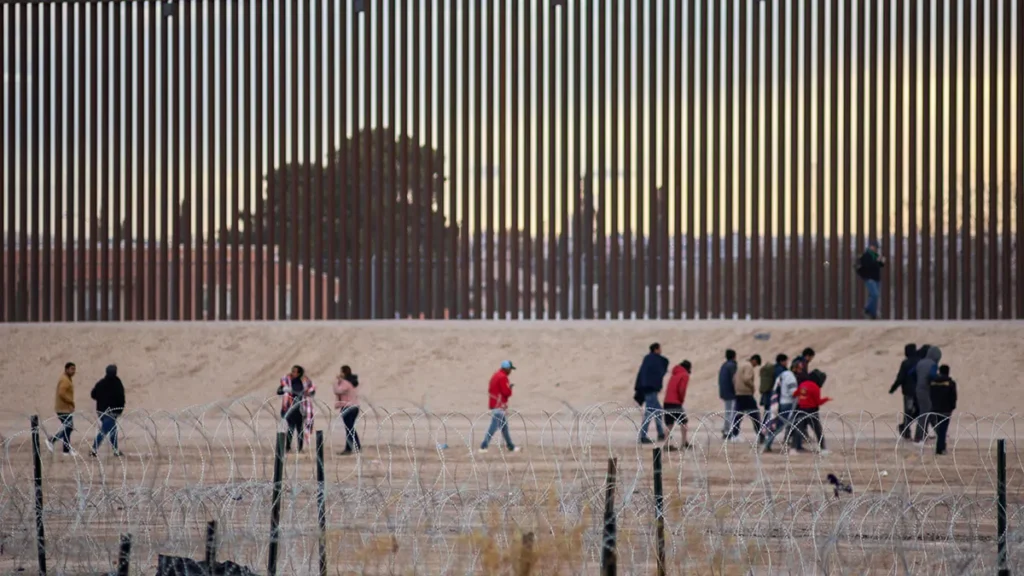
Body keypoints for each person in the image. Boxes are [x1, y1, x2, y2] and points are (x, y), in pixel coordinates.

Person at [480, 360, 521, 453]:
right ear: (507, 369)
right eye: (510, 369)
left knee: (504, 427)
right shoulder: (503, 377)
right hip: (499, 405)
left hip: (494, 403)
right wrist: (510, 389)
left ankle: (510, 446)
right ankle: (483, 446)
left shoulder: (495, 375)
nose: (511, 371)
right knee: (494, 426)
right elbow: (506, 392)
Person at [762, 355, 799, 453]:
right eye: (799, 369)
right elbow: (793, 392)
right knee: (780, 426)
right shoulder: (790, 377)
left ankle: (771, 443)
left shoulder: (783, 374)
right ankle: (768, 444)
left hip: (781, 402)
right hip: (788, 403)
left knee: (782, 425)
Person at [634, 343, 669, 445]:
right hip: (650, 390)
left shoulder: (647, 359)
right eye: (660, 348)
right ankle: (643, 436)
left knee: (658, 411)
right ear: (656, 349)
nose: (661, 350)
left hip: (647, 389)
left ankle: (661, 433)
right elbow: (661, 368)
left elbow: (643, 374)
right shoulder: (654, 360)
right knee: (649, 413)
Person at [792, 369, 831, 454]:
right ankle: (823, 448)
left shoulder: (802, 384)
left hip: (801, 410)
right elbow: (818, 402)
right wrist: (826, 399)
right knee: (817, 430)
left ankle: (793, 449)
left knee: (798, 429)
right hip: (812, 411)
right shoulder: (815, 387)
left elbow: (794, 394)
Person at [278, 365, 316, 452]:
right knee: (290, 427)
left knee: (300, 429)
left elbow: (310, 392)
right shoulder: (287, 380)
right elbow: (279, 391)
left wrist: (293, 391)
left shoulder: (304, 381)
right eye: (292, 371)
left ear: (299, 373)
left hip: (300, 408)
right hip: (289, 408)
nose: (293, 373)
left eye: (295, 371)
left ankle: (300, 447)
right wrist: (285, 390)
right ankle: (287, 447)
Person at [90, 365, 125, 457]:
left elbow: (93, 394)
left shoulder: (101, 383)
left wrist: (101, 398)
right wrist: (120, 409)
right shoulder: (117, 383)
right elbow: (121, 397)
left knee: (113, 430)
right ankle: (94, 449)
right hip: (112, 411)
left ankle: (115, 450)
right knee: (105, 430)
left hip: (101, 411)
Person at [888, 344, 920, 439]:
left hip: (908, 392)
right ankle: (916, 432)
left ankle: (906, 430)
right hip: (919, 392)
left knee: (908, 412)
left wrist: (893, 388)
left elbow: (900, 377)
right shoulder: (920, 362)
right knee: (919, 412)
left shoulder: (906, 363)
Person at [730, 355, 764, 443]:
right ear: (754, 360)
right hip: (746, 393)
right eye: (756, 364)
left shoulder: (741, 365)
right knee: (755, 414)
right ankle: (759, 434)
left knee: (738, 415)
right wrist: (753, 387)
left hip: (738, 393)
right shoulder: (749, 366)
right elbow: (747, 379)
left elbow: (734, 378)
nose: (755, 366)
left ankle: (734, 435)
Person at [47, 362, 77, 455]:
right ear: (66, 369)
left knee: (68, 427)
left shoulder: (67, 379)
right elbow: (61, 393)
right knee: (69, 427)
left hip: (65, 408)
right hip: (63, 409)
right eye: (72, 369)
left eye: (74, 369)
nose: (73, 371)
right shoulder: (65, 380)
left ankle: (65, 449)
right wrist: (71, 402)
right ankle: (53, 441)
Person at [913, 346, 942, 444]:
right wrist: (938, 378)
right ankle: (919, 437)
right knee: (924, 414)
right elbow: (932, 376)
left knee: (929, 412)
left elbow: (911, 373)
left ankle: (938, 433)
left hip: (918, 390)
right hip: (926, 390)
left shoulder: (920, 363)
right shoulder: (933, 364)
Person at [662, 360, 692, 452]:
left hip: (667, 402)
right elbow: (682, 389)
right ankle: (684, 443)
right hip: (675, 402)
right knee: (684, 422)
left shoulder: (674, 374)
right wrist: (681, 400)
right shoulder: (684, 375)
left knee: (669, 424)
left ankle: (666, 445)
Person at [929, 365, 958, 456]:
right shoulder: (950, 383)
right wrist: (952, 407)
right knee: (943, 429)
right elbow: (953, 396)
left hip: (935, 408)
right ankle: (940, 448)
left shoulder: (933, 382)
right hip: (946, 409)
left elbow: (930, 395)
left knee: (939, 429)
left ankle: (941, 446)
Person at [334, 365, 360, 455]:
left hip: (348, 407)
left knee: (349, 429)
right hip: (354, 407)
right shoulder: (352, 382)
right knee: (350, 428)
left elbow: (337, 390)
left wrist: (337, 381)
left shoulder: (345, 383)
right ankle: (356, 446)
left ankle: (349, 448)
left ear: (343, 372)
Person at [856, 241, 886, 319]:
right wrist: (877, 261)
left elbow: (879, 266)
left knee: (874, 296)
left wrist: (881, 262)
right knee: (875, 294)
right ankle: (867, 309)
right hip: (869, 278)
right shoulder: (866, 255)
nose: (875, 249)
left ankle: (873, 314)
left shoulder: (875, 255)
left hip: (876, 278)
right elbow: (868, 266)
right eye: (874, 247)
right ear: (870, 247)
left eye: (876, 247)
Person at [718, 350, 739, 440]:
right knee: (731, 413)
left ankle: (726, 430)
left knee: (728, 412)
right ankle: (728, 431)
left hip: (724, 392)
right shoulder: (732, 365)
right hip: (731, 392)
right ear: (734, 356)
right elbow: (735, 379)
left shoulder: (724, 365)